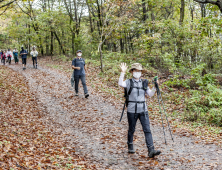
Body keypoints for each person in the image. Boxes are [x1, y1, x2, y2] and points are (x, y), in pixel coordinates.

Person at [118, 63, 161, 158]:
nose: (137, 73)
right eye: (136, 71)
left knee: (147, 130)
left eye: (139, 71)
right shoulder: (128, 82)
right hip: (132, 110)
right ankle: (130, 144)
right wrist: (122, 72)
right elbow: (121, 83)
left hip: (143, 110)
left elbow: (149, 94)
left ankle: (151, 150)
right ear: (132, 71)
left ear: (141, 72)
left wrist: (155, 87)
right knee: (131, 129)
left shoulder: (144, 82)